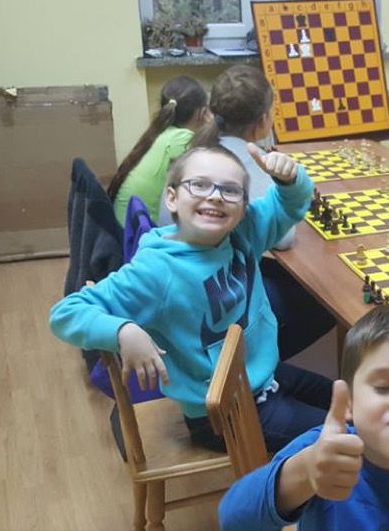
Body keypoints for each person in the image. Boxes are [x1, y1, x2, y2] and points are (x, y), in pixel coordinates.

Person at [50, 146, 334, 453]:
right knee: (348, 434)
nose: (215, 197)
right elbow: (66, 313)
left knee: (349, 399)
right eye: (199, 185)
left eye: (230, 190)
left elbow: (289, 203)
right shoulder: (157, 272)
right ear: (172, 198)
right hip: (222, 414)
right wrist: (123, 331)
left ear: (243, 207)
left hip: (263, 377)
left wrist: (290, 179)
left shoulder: (243, 233)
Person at [218, 304, 389, 531]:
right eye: (383, 386)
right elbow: (233, 518)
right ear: (350, 401)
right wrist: (305, 473)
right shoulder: (322, 455)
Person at [192, 64, 336, 362]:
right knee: (325, 303)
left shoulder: (200, 148)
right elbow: (284, 239)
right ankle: (259, 361)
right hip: (219, 292)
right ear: (263, 121)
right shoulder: (246, 164)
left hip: (198, 280)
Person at [108, 76, 209, 225]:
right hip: (139, 233)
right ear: (203, 113)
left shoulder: (162, 133)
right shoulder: (182, 139)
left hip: (126, 227)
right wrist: (212, 128)